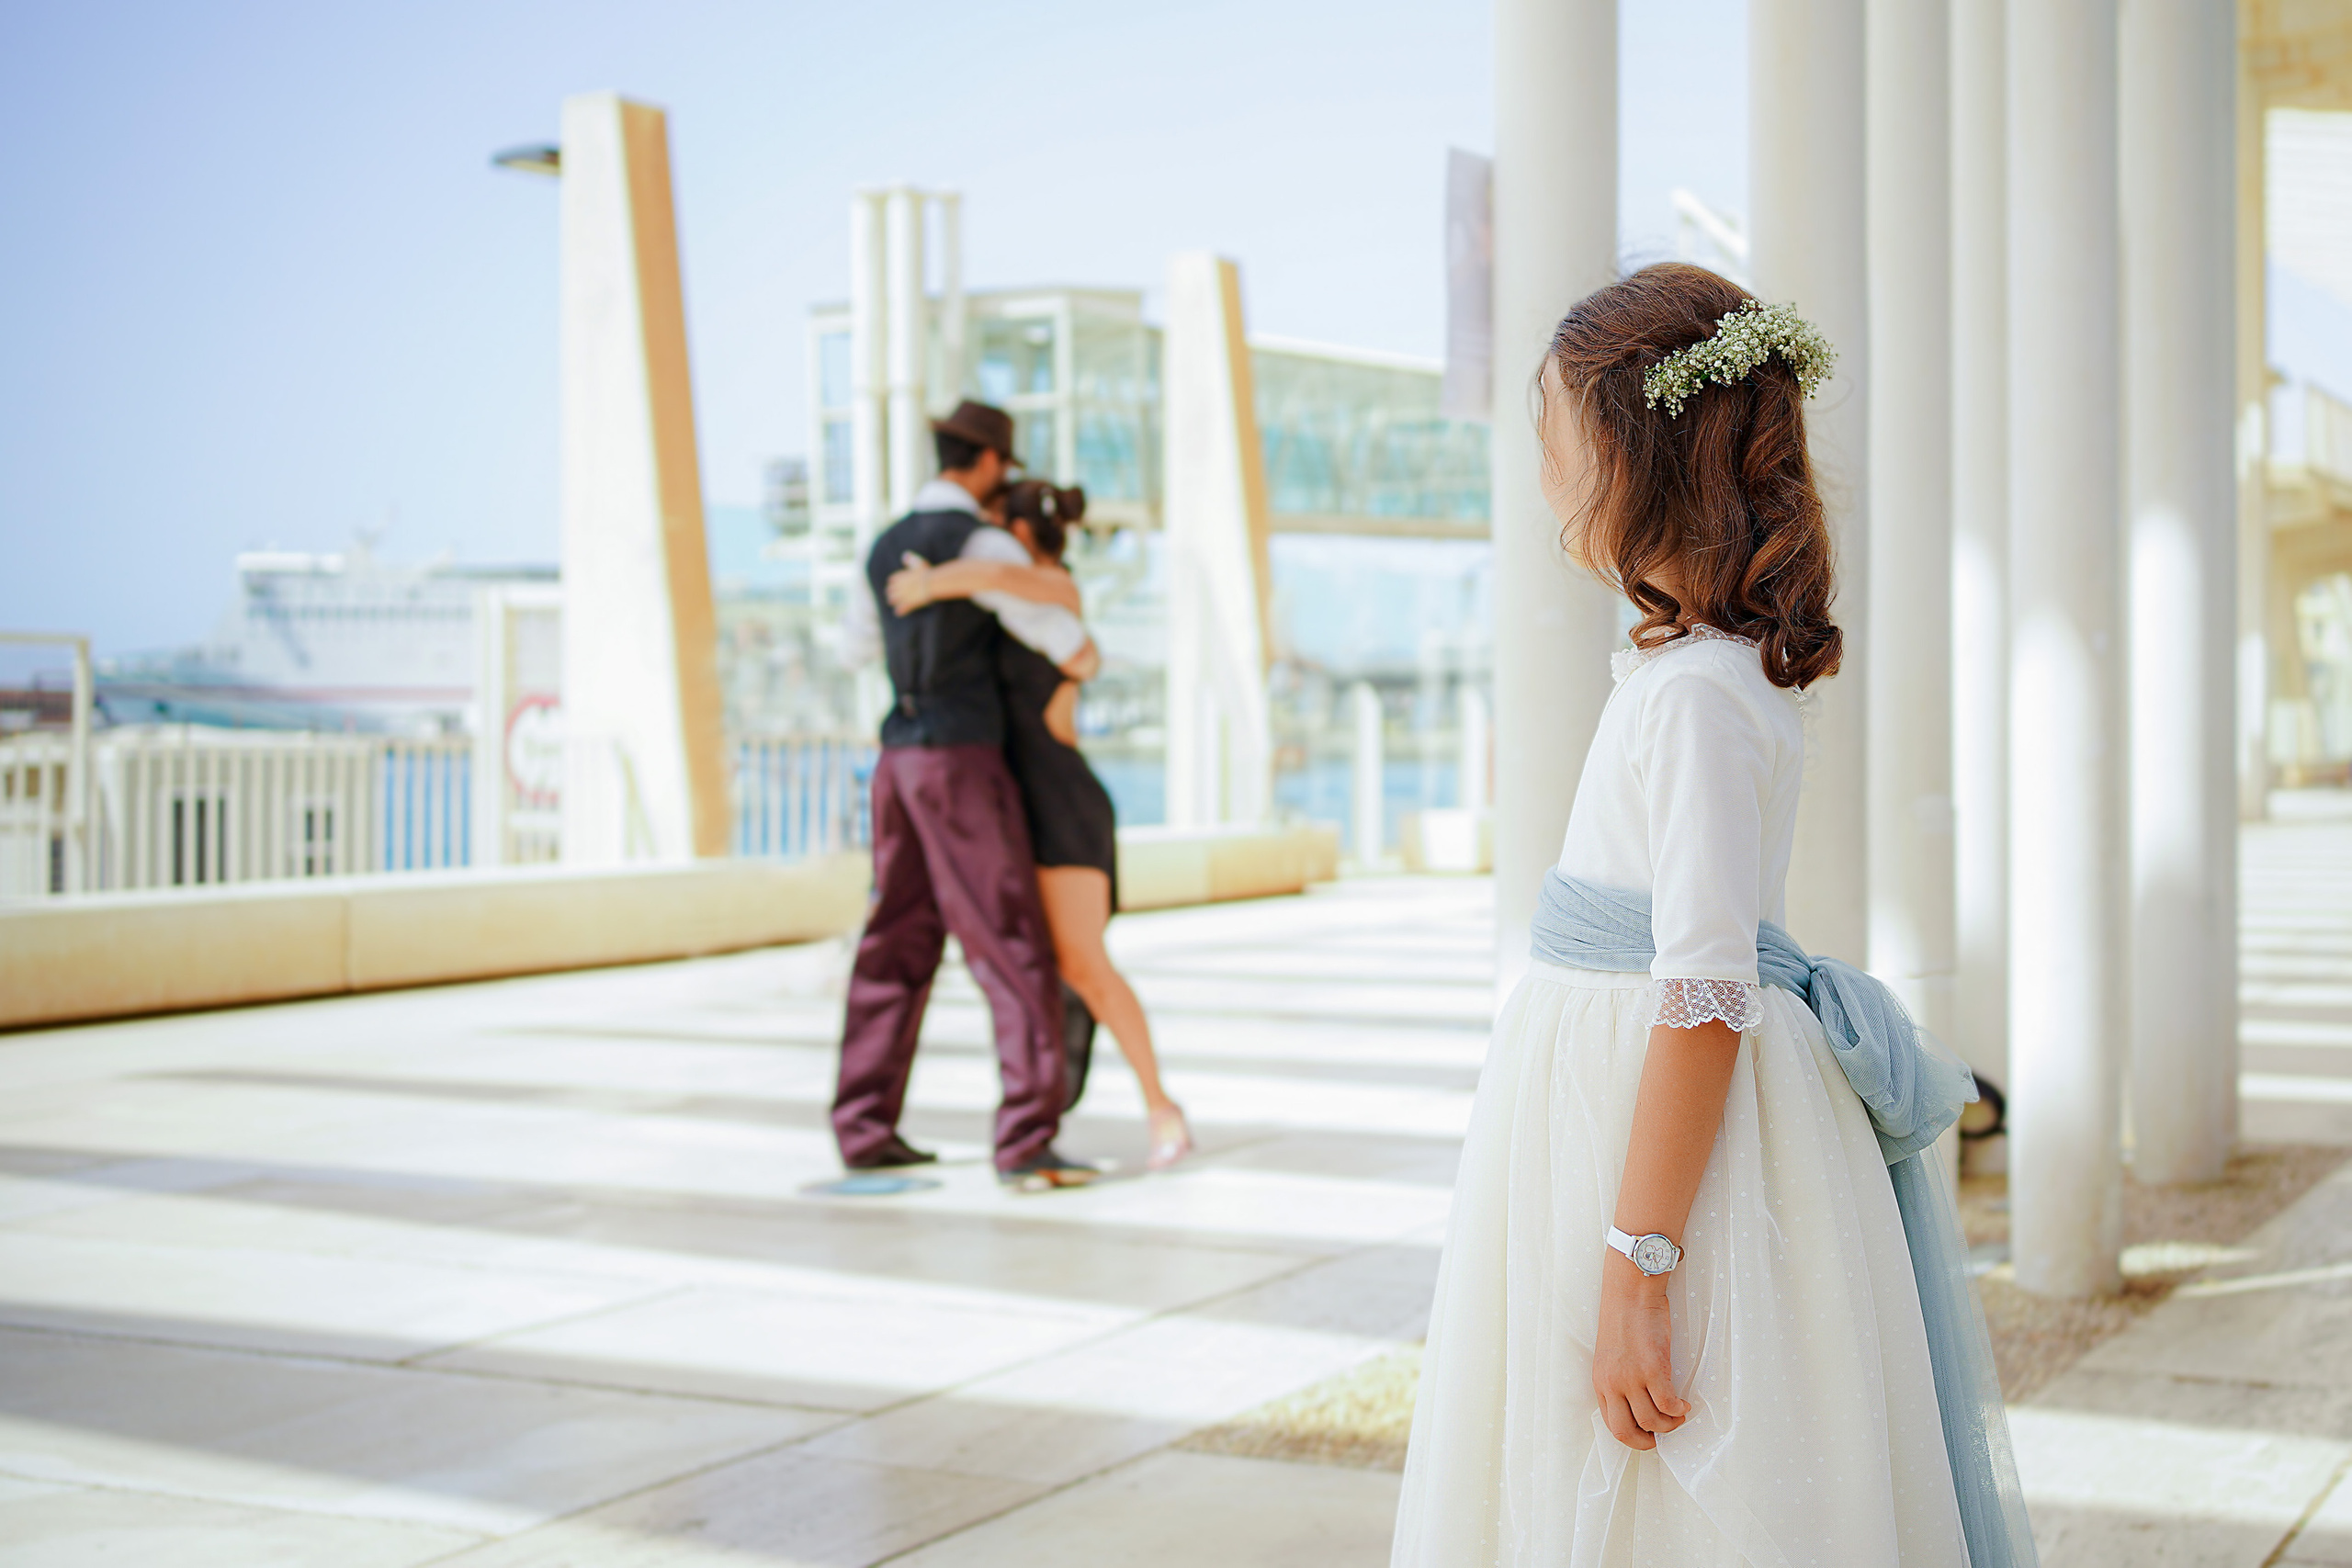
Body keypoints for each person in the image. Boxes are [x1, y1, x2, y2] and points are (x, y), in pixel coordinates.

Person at [1389, 265, 2034, 1566]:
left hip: (1650, 1117)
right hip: (1631, 1095)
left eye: (1558, 445)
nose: (1549, 481)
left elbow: (1702, 994)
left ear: (1640, 455)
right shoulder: (1708, 675)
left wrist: (1638, 1262)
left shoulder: (1692, 697)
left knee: (1665, 1459)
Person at [833, 400, 1102, 1190]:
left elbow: (855, 648)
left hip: (898, 760)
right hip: (961, 762)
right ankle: (1027, 1135)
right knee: (1007, 937)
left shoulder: (881, 544)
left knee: (892, 940)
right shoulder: (980, 542)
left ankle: (864, 1125)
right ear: (988, 464)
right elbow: (1068, 643)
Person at [888, 479, 1194, 1170]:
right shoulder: (1000, 609)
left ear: (1019, 534)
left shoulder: (1049, 590)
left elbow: (1073, 645)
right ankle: (1053, 1102)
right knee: (1049, 965)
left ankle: (1161, 1106)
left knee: (1085, 962)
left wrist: (935, 580)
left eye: (996, 524)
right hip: (1010, 802)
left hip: (1061, 800)